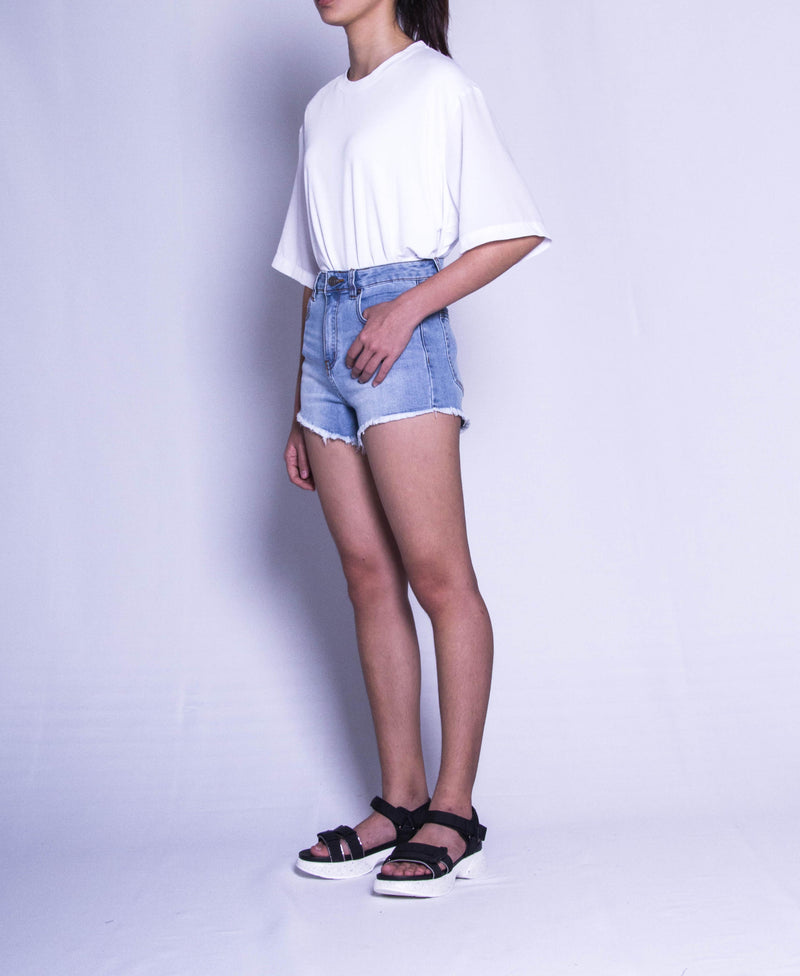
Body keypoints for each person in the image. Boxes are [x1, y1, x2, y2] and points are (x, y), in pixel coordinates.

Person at [272, 0, 551, 898]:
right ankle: (399, 800)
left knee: (439, 577)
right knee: (366, 575)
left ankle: (454, 812)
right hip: (327, 339)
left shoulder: (437, 85)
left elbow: (513, 229)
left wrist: (409, 308)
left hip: (401, 328)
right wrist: (299, 403)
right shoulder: (323, 107)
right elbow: (311, 268)